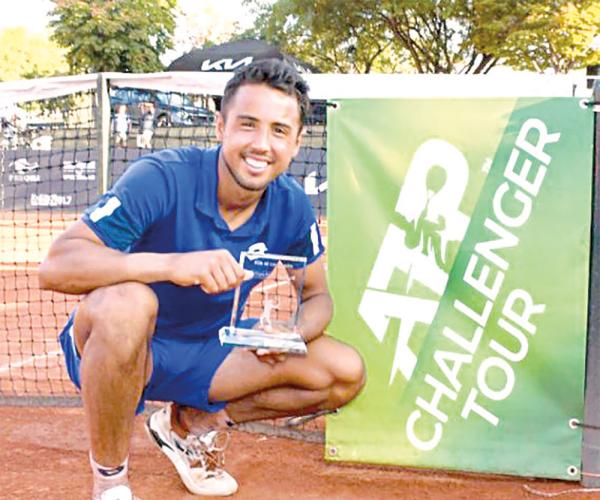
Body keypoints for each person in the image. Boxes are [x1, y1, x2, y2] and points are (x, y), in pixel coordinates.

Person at [39, 59, 365, 500]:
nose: (261, 144)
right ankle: (111, 481)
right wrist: (172, 265)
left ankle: (192, 422)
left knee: (343, 372)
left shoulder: (292, 205)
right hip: (125, 347)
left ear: (296, 142)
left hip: (209, 354)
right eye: (247, 125)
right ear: (220, 127)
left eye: (279, 130)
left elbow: (317, 296)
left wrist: (291, 333)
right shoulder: (162, 176)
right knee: (128, 304)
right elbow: (57, 265)